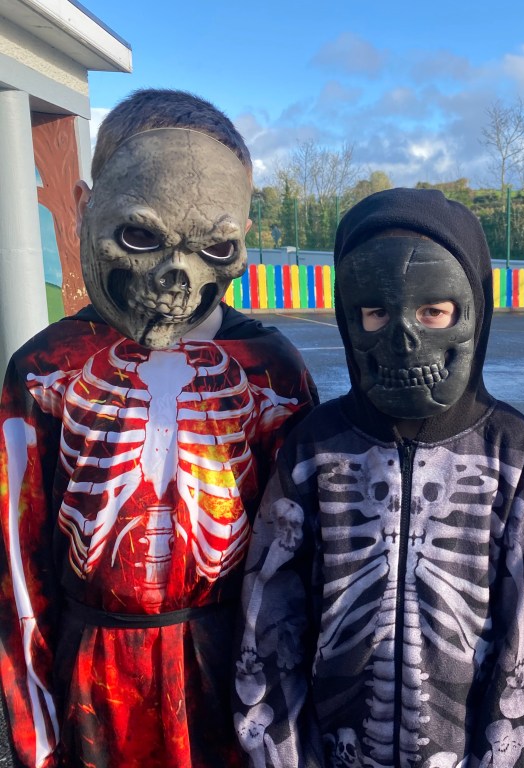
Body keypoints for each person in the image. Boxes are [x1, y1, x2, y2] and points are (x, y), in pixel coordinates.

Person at [0, 89, 318, 768]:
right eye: (140, 237)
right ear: (86, 207)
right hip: (95, 682)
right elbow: (18, 570)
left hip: (236, 673)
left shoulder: (270, 368)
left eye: (215, 246)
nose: (177, 277)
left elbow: (301, 554)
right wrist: (37, 736)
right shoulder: (46, 370)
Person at [233, 187, 524, 768]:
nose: (403, 337)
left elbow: (521, 627)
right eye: (376, 312)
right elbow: (269, 614)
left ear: (473, 306)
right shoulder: (315, 444)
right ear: (349, 315)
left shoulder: (508, 446)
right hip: (337, 748)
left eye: (433, 311)